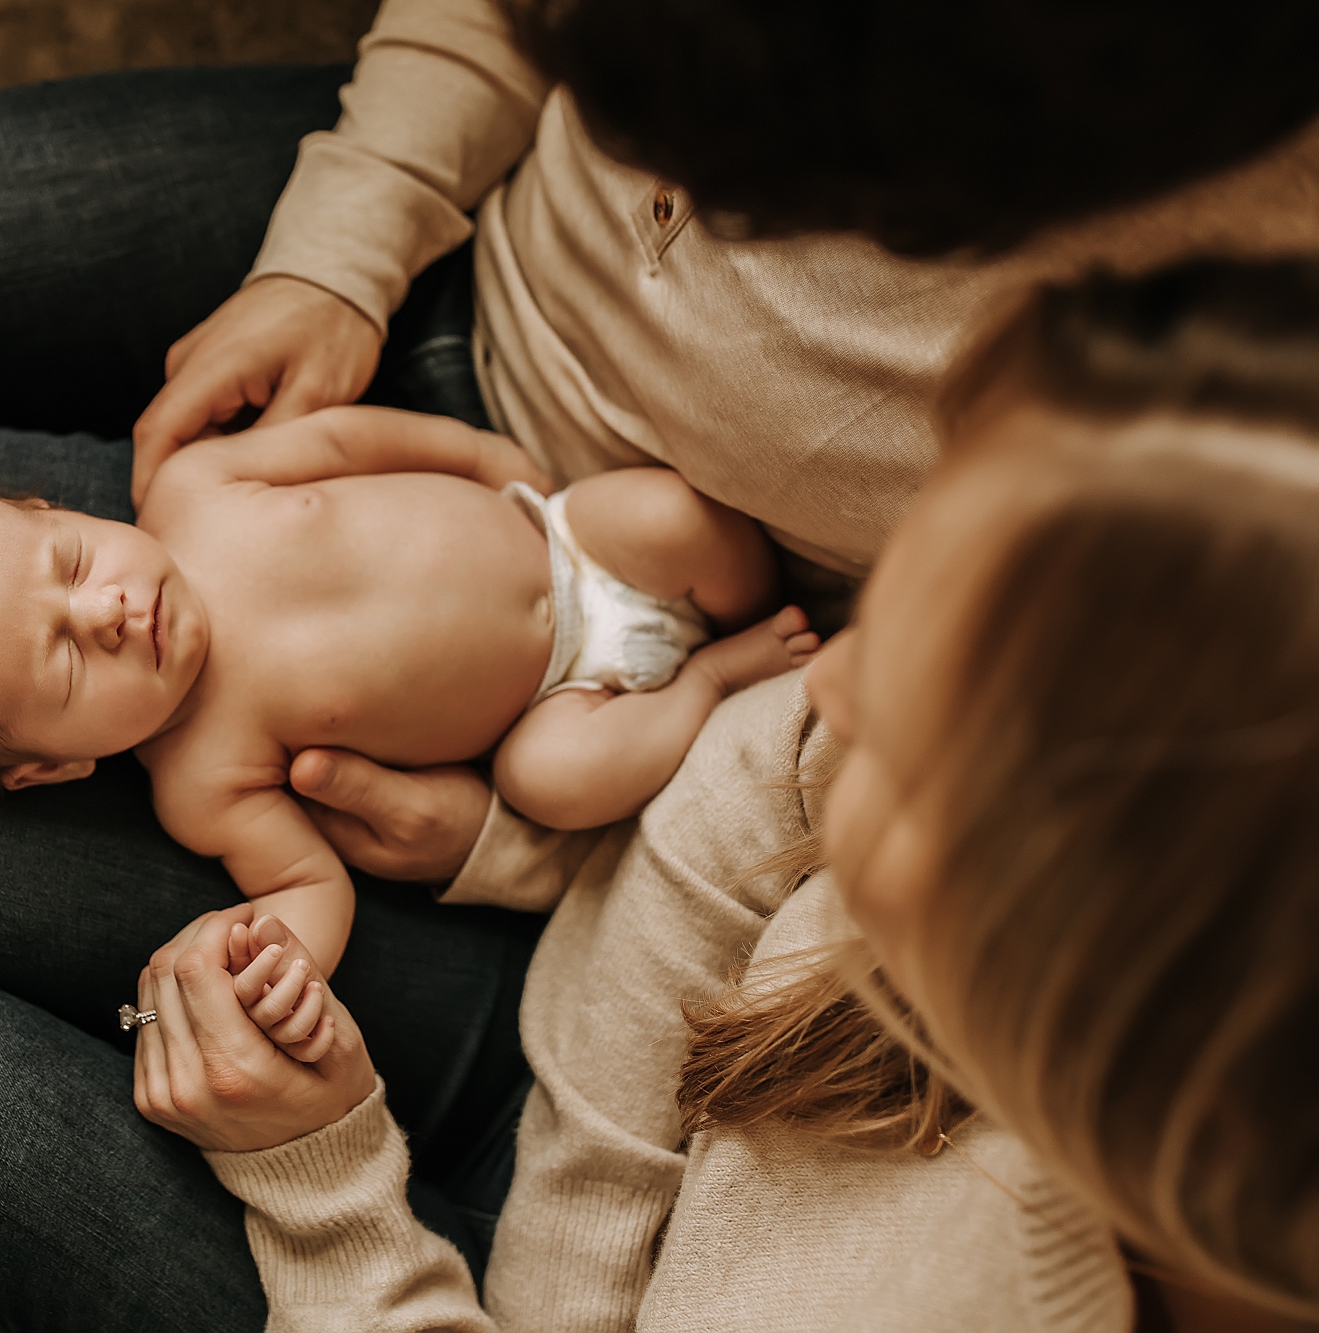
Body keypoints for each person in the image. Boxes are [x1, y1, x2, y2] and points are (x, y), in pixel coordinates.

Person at [0, 0, 1315, 1325]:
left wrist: (329, 1156)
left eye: (909, 700)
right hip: (592, 750)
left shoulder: (984, 1250)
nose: (841, 680)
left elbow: (679, 768)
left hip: (485, 1192)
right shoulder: (938, 695)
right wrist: (343, 273)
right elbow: (747, 767)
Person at [132, 257, 1319, 1332]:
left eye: (913, 725)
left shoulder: (977, 1293)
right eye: (895, 591)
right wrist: (507, 851)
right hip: (606, 1009)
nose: (832, 675)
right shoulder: (1043, 782)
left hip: (382, 1238)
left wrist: (325, 1182)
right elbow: (755, 774)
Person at [0, 412, 809, 976]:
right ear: (56, 765)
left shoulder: (195, 488)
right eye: (63, 661)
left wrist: (477, 456)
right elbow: (306, 887)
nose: (103, 608)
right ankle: (721, 681)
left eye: (68, 559)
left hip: (571, 540)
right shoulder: (202, 782)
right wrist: (273, 964)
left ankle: (780, 606)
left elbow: (342, 445)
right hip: (566, 696)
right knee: (547, 779)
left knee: (669, 513)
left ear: (51, 505)